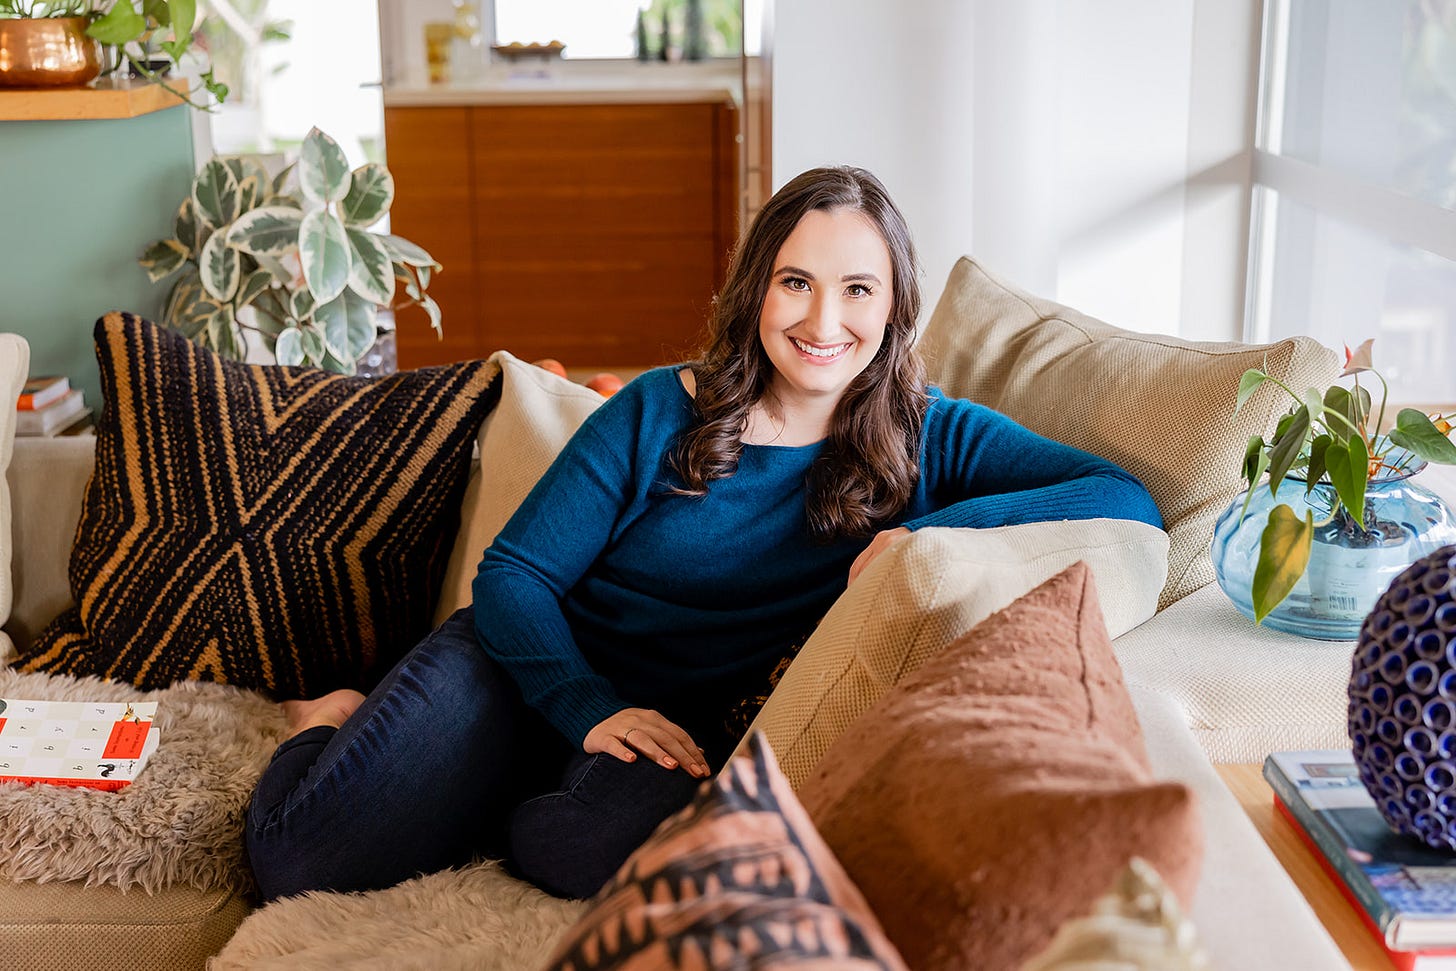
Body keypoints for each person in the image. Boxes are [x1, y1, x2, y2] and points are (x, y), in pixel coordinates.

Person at [244, 165, 1164, 903]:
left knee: (579, 851)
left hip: (673, 737)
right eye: (795, 283)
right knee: (294, 858)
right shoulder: (659, 410)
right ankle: (332, 719)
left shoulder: (933, 434)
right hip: (524, 670)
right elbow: (514, 575)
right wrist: (585, 707)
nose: (822, 321)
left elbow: (1121, 495)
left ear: (893, 309)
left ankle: (464, 790)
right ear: (757, 287)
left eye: (856, 289)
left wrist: (925, 535)